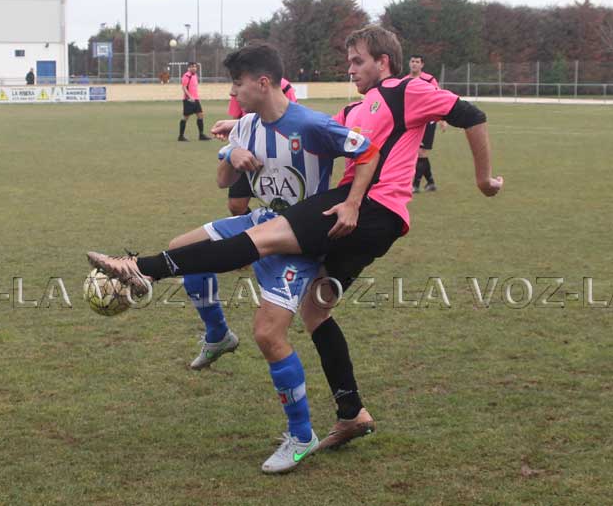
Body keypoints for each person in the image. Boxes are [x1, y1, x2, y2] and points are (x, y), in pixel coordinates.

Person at [87, 25, 503, 447]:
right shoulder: (354, 110)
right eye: (349, 60)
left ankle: (142, 268)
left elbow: (470, 115)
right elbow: (304, 127)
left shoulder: (407, 89)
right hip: (361, 220)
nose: (350, 68)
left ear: (384, 62)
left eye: (358, 60)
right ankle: (351, 412)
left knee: (259, 241)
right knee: (315, 312)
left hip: (370, 209)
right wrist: (239, 130)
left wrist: (484, 180)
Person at [156, 43, 379, 473]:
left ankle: (301, 435)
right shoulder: (245, 125)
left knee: (268, 335)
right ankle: (218, 335)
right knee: (183, 250)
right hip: (260, 222)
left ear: (262, 83)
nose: (232, 92)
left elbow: (367, 151)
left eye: (237, 83)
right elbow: (223, 179)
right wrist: (230, 153)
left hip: (298, 241)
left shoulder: (311, 124)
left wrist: (352, 204)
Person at [224, 77, 297, 216]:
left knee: (283, 202)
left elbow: (292, 116)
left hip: (278, 151)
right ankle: (257, 227)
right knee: (236, 205)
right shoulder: (239, 87)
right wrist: (235, 131)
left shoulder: (282, 85)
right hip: (247, 149)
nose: (233, 91)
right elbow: (237, 117)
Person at [408, 54, 446, 193]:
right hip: (413, 120)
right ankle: (430, 183)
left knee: (421, 152)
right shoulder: (405, 80)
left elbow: (439, 97)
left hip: (428, 119)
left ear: (422, 65)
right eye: (412, 61)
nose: (414, 64)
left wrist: (442, 119)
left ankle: (415, 185)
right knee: (419, 153)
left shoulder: (429, 79)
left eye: (417, 62)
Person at [178, 62, 210, 141]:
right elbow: (184, 87)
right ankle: (181, 136)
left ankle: (201, 135)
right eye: (192, 67)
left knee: (200, 115)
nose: (194, 68)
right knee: (185, 117)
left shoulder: (195, 75)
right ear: (188, 68)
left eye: (195, 67)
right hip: (188, 100)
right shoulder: (186, 76)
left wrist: (196, 97)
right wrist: (190, 96)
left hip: (196, 99)